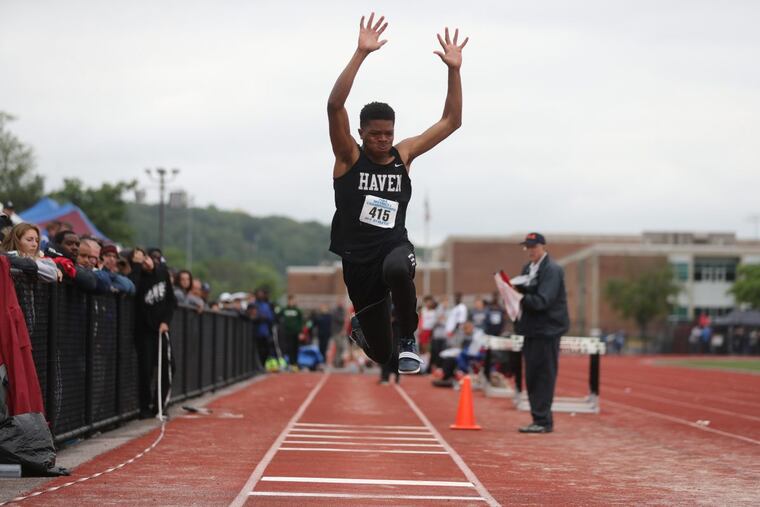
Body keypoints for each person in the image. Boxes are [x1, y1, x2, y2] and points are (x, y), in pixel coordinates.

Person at [327, 13, 468, 374]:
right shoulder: (348, 157)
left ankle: (409, 336)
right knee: (380, 355)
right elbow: (334, 107)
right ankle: (369, 331)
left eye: (388, 133)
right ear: (360, 132)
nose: (384, 140)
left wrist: (454, 70)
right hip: (358, 263)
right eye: (376, 134)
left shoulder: (402, 156)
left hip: (393, 246)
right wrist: (360, 54)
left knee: (397, 267)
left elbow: (451, 121)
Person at [514, 232, 569, 434]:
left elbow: (543, 301)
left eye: (533, 247)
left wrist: (517, 297)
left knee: (543, 376)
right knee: (532, 375)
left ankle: (544, 421)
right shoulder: (528, 268)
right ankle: (538, 418)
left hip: (548, 330)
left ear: (542, 247)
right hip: (532, 330)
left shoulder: (552, 270)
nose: (529, 251)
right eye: (527, 247)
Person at [131, 250, 177, 418]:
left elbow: (171, 300)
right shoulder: (137, 276)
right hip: (143, 331)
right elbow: (132, 289)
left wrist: (166, 321)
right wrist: (136, 267)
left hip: (161, 329)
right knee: (146, 370)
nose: (146, 261)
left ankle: (160, 405)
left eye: (146, 257)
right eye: (140, 259)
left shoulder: (162, 274)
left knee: (169, 365)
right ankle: (144, 407)